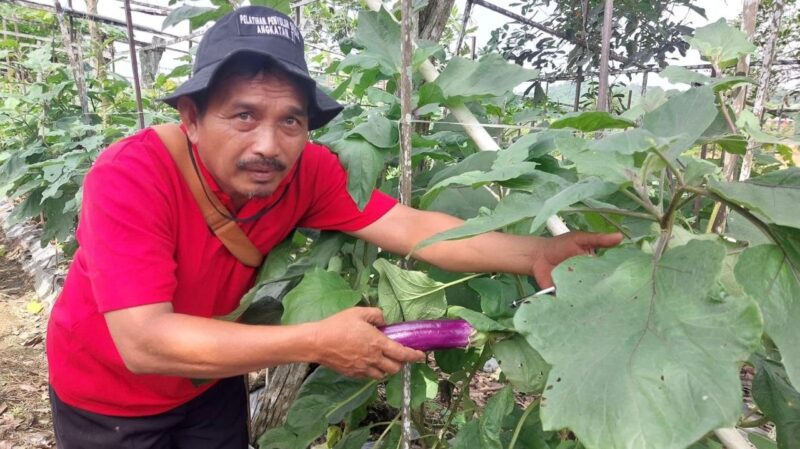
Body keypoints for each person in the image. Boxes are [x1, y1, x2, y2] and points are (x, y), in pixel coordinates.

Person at [46, 6, 622, 449]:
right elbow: (144, 343)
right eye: (243, 115)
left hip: (210, 378)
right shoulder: (130, 175)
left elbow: (412, 226)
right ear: (192, 118)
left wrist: (537, 253)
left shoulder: (308, 171)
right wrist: (318, 341)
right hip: (108, 397)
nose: (268, 145)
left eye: (290, 120)